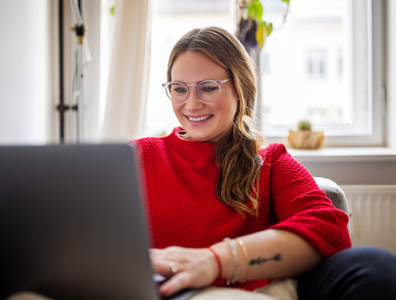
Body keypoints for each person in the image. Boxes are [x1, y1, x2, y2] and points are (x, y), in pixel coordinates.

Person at [132, 26, 396, 299]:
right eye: (179, 89)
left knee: (374, 265)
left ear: (240, 89)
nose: (192, 103)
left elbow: (330, 230)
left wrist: (216, 261)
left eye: (208, 88)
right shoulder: (137, 157)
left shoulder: (269, 163)